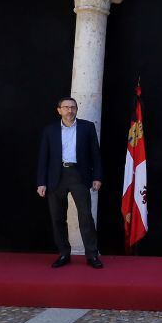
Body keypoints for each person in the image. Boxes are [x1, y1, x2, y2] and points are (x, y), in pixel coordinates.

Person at [36, 97, 104, 269]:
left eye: (73, 107)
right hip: (55, 177)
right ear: (59, 110)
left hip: (78, 175)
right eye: (66, 107)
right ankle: (64, 253)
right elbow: (43, 158)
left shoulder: (87, 127)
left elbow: (95, 155)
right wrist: (41, 182)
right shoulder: (49, 130)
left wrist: (97, 177)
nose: (69, 110)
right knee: (57, 217)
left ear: (76, 109)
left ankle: (92, 254)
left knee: (86, 216)